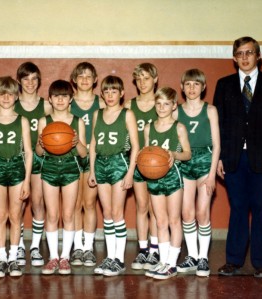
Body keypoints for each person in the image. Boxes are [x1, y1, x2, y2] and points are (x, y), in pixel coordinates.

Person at [213, 36, 262, 278]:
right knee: (237, 209)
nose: (245, 57)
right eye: (240, 53)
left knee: (260, 209)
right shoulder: (224, 85)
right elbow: (218, 125)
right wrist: (218, 158)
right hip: (233, 158)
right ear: (234, 58)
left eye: (249, 53)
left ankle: (260, 264)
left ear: (258, 56)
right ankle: (233, 261)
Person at [0, 76, 33, 277]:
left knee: (15, 215)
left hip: (18, 168)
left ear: (16, 96)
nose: (6, 97)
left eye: (10, 94)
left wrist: (27, 180)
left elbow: (28, 152)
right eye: (2, 93)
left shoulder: (22, 120)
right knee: (0, 215)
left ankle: (13, 258)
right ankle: (1, 259)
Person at [88, 75, 139, 276]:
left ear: (121, 93)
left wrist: (130, 172)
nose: (110, 95)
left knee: (117, 213)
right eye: (106, 91)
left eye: (114, 91)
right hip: (101, 164)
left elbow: (135, 146)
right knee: (107, 213)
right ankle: (110, 257)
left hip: (119, 163)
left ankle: (118, 259)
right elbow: (93, 143)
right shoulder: (97, 114)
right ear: (102, 94)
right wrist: (92, 170)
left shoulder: (127, 114)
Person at [36, 80, 88, 275]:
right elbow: (39, 152)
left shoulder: (77, 121)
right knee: (51, 214)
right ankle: (53, 257)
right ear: (49, 99)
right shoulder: (44, 121)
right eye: (56, 96)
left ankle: (65, 256)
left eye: (64, 96)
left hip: (70, 168)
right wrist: (41, 143)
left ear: (70, 99)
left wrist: (76, 143)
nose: (60, 99)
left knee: (68, 214)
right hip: (49, 167)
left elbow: (83, 154)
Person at [173, 69, 220, 277]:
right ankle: (192, 256)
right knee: (187, 213)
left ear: (203, 87)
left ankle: (203, 258)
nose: (192, 88)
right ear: (182, 87)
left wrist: (211, 175)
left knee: (202, 212)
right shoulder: (176, 111)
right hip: (184, 162)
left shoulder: (210, 110)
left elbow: (217, 145)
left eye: (196, 84)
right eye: (188, 84)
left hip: (205, 162)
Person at [144, 87, 191, 280]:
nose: (162, 107)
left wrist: (174, 154)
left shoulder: (178, 127)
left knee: (174, 220)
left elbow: (188, 153)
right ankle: (163, 261)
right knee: (160, 221)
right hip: (154, 177)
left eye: (166, 104)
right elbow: (147, 152)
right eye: (159, 103)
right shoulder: (149, 127)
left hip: (173, 176)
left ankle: (172, 263)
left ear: (174, 105)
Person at [14, 62, 53, 266]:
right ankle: (19, 244)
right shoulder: (11, 104)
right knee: (18, 206)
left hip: (38, 158)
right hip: (16, 158)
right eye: (26, 79)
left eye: (34, 79)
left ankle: (36, 246)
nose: (30, 83)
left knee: (38, 203)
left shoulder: (47, 105)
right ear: (19, 81)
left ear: (39, 81)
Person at [124, 63, 160, 270]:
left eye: (146, 78)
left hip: (158, 165)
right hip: (138, 162)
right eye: (139, 79)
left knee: (156, 208)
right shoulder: (129, 105)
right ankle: (143, 249)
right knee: (141, 206)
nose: (142, 83)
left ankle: (155, 250)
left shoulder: (162, 103)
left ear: (155, 79)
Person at [69, 62, 105, 267]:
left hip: (94, 157)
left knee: (89, 203)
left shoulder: (101, 103)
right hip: (72, 156)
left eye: (88, 76)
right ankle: (77, 247)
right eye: (80, 76)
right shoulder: (66, 101)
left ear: (95, 79)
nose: (84, 79)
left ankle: (89, 247)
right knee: (75, 204)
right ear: (74, 79)